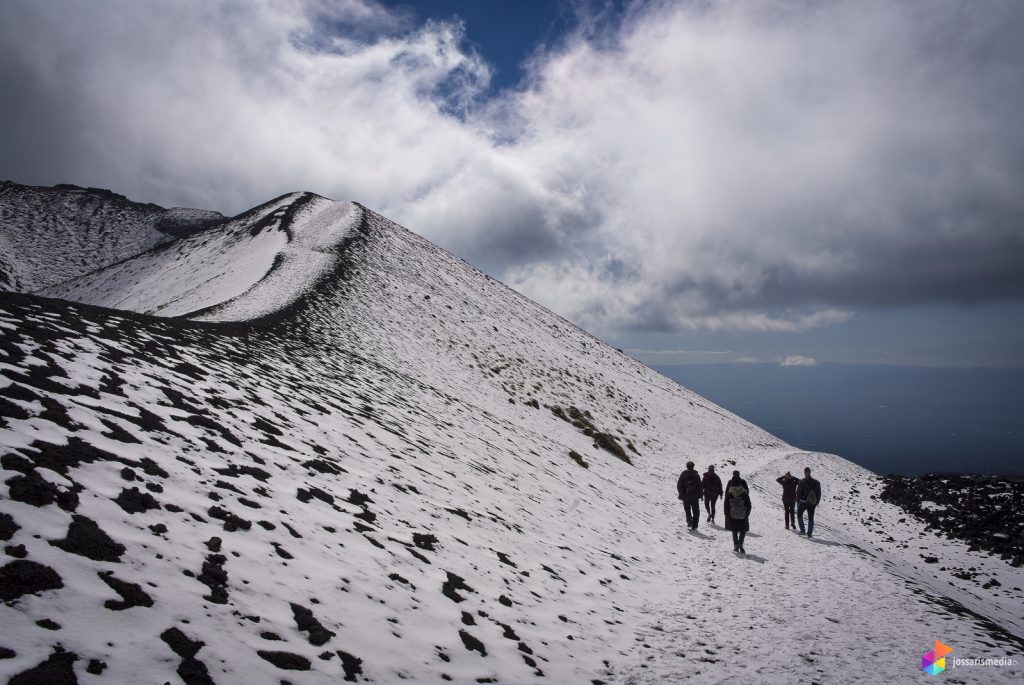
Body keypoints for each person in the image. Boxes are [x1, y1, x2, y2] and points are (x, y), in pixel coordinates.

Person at [723, 470, 752, 554]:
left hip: (732, 514)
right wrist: (747, 513)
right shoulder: (744, 493)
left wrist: (726, 513)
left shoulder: (730, 492)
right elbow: (749, 504)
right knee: (743, 530)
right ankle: (740, 544)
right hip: (743, 514)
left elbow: (726, 503)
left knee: (734, 530)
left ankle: (736, 545)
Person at [795, 467, 822, 538]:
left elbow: (798, 492)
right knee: (811, 518)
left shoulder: (801, 481)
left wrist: (797, 500)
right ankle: (809, 533)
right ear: (810, 472)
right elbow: (819, 493)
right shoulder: (817, 482)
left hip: (803, 502)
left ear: (804, 472)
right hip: (812, 503)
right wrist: (816, 503)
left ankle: (802, 531)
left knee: (799, 515)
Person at [676, 461, 703, 530]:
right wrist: (701, 495)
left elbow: (679, 485)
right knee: (696, 511)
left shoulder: (683, 474)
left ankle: (689, 521)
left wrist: (681, 495)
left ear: (687, 466)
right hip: (695, 496)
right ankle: (695, 525)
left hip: (686, 497)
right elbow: (700, 486)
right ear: (693, 466)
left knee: (687, 510)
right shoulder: (696, 475)